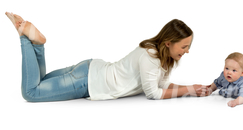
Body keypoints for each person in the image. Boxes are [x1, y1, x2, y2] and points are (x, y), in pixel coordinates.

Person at [5, 12, 209, 102]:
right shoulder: (151, 57)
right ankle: (25, 37)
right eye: (184, 46)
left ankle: (37, 45)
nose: (187, 51)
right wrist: (188, 91)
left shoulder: (164, 57)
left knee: (39, 82)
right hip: (87, 82)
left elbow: (161, 86)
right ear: (168, 43)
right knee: (32, 92)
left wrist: (192, 88)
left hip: (89, 69)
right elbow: (153, 94)